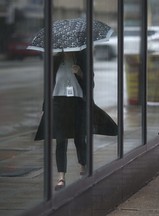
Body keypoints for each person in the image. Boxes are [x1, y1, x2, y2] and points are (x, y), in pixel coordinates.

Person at [35, 51, 118, 191]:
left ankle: (83, 165)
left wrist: (80, 73)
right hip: (58, 103)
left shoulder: (82, 59)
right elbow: (48, 84)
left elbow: (90, 84)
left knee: (79, 139)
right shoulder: (55, 60)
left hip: (78, 102)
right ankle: (61, 177)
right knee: (61, 140)